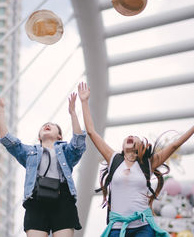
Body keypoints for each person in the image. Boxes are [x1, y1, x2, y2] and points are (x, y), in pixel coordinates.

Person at [78, 82, 194, 237]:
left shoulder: (148, 163)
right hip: (117, 227)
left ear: (141, 146)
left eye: (135, 137)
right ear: (123, 146)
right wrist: (84, 102)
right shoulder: (114, 159)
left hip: (142, 226)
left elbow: (174, 145)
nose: (130, 137)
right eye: (128, 137)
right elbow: (91, 132)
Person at [0, 89, 86, 237]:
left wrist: (73, 113)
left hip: (63, 199)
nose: (46, 126)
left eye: (51, 125)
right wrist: (1, 109)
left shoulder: (66, 151)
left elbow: (79, 143)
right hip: (36, 200)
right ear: (39, 137)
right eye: (44, 126)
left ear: (60, 135)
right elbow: (7, 140)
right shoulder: (30, 152)